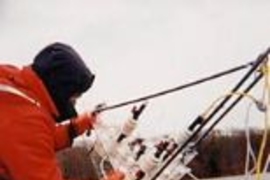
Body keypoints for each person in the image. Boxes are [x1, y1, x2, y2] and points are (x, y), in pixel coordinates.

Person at [0, 42, 124, 180]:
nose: (74, 103)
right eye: (73, 97)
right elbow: (28, 137)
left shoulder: (11, 78)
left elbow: (32, 142)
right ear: (60, 90)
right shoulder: (27, 124)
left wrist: (74, 128)